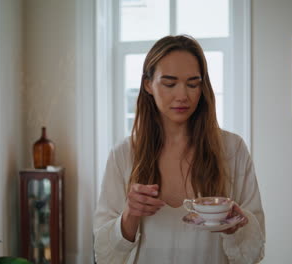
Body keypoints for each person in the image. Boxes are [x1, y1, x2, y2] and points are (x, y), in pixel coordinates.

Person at [93, 35, 265, 264]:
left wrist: (236, 229)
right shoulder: (123, 155)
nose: (182, 95)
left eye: (193, 84)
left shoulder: (233, 150)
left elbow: (254, 251)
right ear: (148, 84)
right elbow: (104, 255)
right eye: (169, 83)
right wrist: (130, 215)